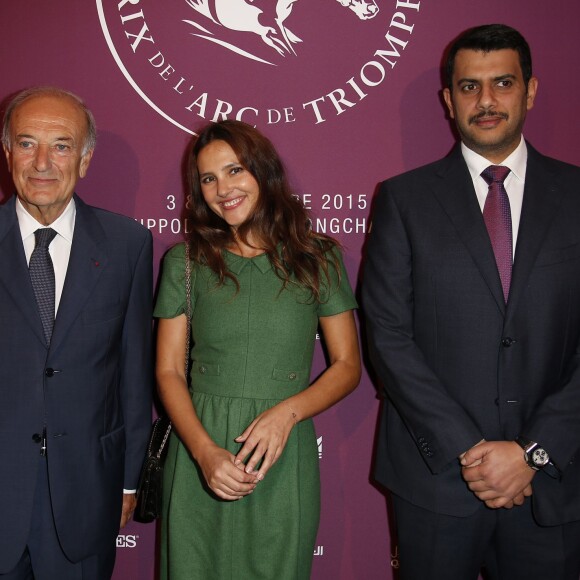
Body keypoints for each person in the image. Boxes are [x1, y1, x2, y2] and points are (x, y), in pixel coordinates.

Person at [363, 24, 580, 580]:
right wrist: (473, 452)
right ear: (448, 99)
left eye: (503, 83)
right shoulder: (404, 199)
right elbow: (388, 335)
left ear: (530, 91)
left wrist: (530, 452)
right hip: (435, 480)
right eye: (468, 87)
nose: (485, 101)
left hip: (553, 480)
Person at [154, 119, 360, 579]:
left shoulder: (317, 257)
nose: (222, 188)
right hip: (197, 448)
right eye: (208, 178)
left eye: (235, 170)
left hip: (281, 454)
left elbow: (348, 366)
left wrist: (288, 414)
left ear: (263, 172)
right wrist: (204, 453)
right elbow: (168, 371)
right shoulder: (184, 262)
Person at [0, 87, 153, 579]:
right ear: (7, 153)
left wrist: (129, 482)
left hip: (86, 496)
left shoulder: (128, 245)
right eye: (27, 143)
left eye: (62, 145)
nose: (42, 162)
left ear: (85, 160)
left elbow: (133, 375)